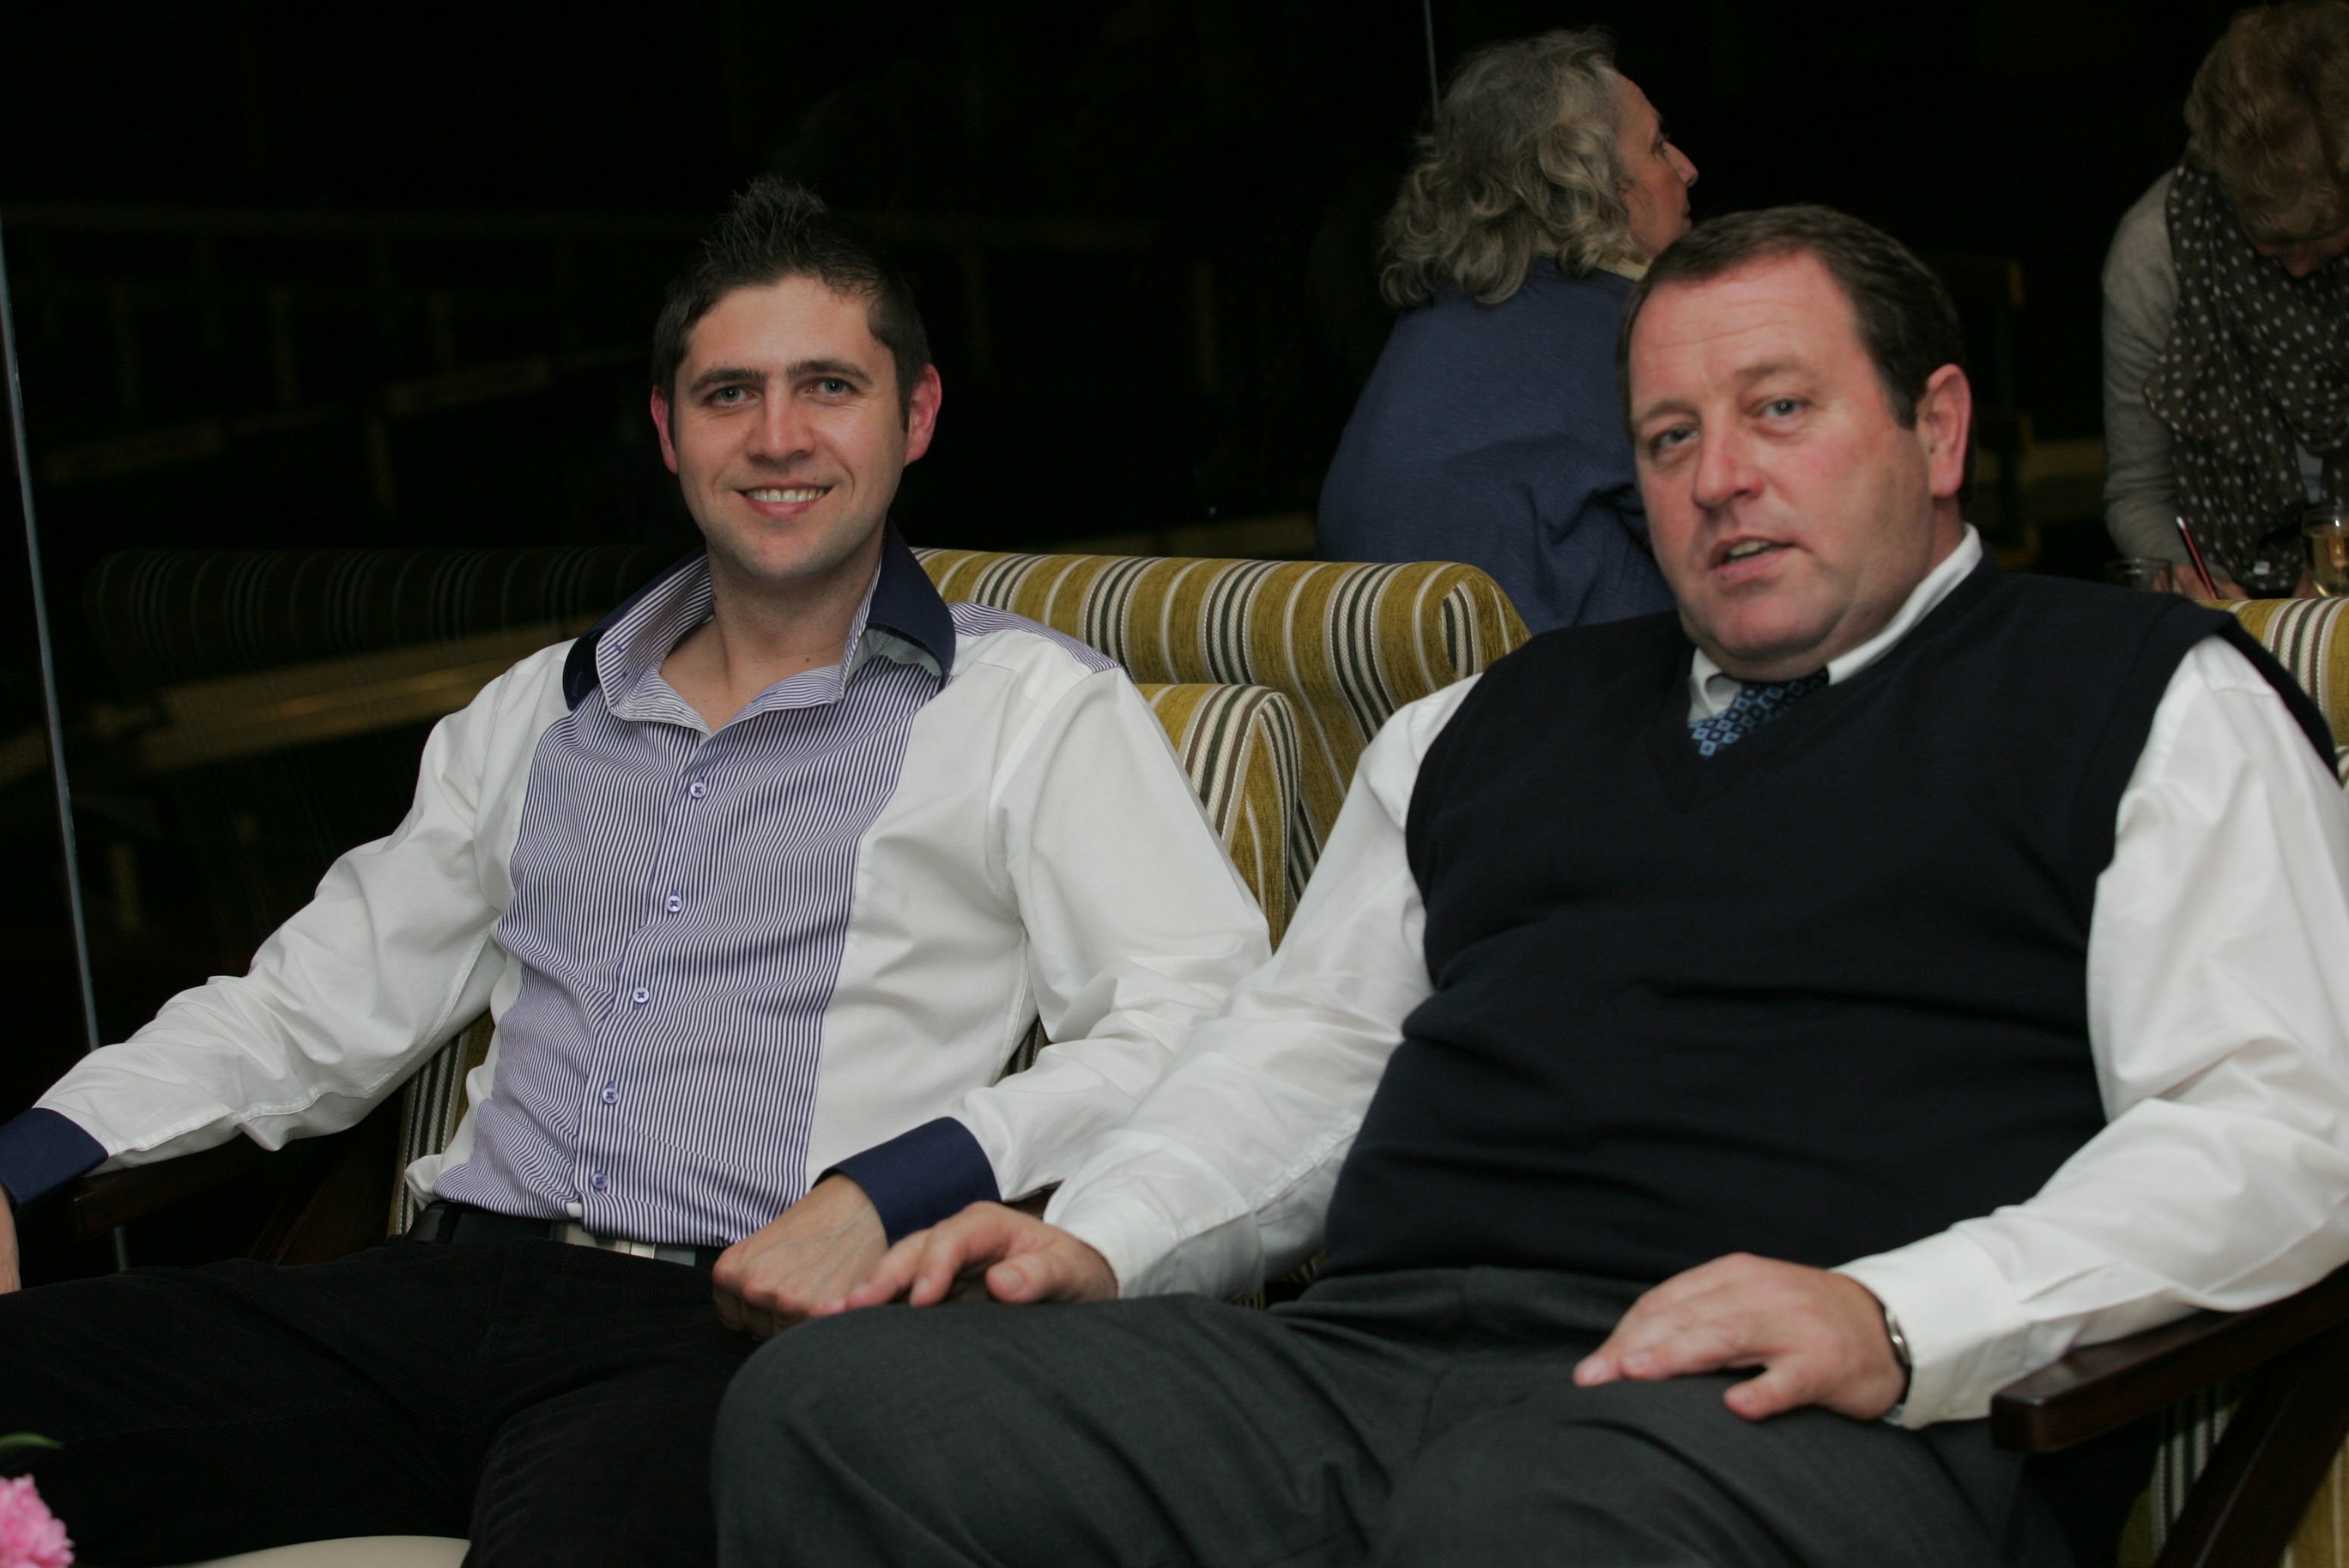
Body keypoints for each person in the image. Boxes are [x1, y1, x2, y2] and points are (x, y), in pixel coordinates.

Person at [713, 207, 2349, 1568]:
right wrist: (1105, 1240)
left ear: (1934, 428)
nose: (1718, 477)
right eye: (1667, 437)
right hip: (1378, 1364)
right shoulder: (1485, 723)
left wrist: (1898, 1313)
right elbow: (1307, 1057)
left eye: (1779, 411)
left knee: (1522, 1516)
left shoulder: (2137, 698)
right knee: (841, 1409)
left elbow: (2281, 1127)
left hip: (1800, 1420)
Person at [0, 178, 1269, 1566]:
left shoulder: (1026, 711)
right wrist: (18, 1167)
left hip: (723, 1342)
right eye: (728, 395)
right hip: (431, 1296)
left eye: (828, 386)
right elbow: (301, 1010)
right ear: (668, 433)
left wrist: (889, 1190)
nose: (777, 437)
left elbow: (1196, 1018)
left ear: (914, 416)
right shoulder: (536, 715)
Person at [1315, 29, 1697, 634]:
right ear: (1587, 183)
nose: (1687, 168)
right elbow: (1745, 546)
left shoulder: (1429, 335)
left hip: (1419, 692)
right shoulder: (1627, 334)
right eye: (1657, 146)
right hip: (1575, 688)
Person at [2103, 0, 2349, 596]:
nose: (2298, 265)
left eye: (2321, 236)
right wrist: (2193, 578)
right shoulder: (2155, 255)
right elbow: (2137, 493)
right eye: (2272, 240)